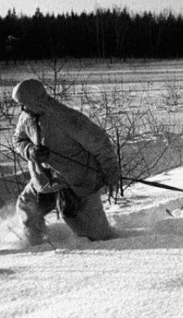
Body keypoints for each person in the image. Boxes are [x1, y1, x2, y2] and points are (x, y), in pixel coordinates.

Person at [12, 79, 121, 245]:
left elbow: (100, 143)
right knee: (27, 207)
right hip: (43, 181)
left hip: (78, 182)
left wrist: (111, 171)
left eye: (24, 104)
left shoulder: (66, 117)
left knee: (98, 238)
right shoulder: (26, 117)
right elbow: (18, 140)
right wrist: (31, 151)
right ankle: (35, 247)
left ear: (35, 101)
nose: (22, 108)